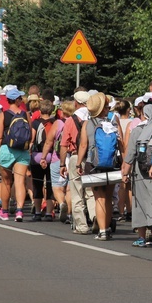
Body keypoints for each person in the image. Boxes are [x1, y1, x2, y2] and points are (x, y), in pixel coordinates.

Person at [78, 92, 122, 240]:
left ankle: (102, 230)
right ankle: (107, 227)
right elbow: (121, 143)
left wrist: (78, 163)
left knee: (99, 198)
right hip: (113, 163)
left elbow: (83, 145)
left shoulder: (87, 124)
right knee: (108, 197)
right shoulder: (114, 120)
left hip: (93, 164)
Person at [123, 102, 152, 246]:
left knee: (140, 202)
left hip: (139, 173)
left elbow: (130, 154)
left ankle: (141, 237)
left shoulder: (137, 131)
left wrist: (125, 173)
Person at [59, 89, 94, 234]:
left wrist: (62, 164)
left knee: (77, 192)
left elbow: (64, 144)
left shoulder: (70, 120)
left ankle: (82, 225)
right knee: (91, 191)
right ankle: (95, 217)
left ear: (76, 103)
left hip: (75, 156)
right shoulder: (93, 118)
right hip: (92, 157)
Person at [0, 87, 31, 221]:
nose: (22, 100)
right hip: (22, 150)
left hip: (6, 149)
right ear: (16, 100)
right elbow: (30, 133)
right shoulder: (25, 114)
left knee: (6, 182)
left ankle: (4, 211)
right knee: (20, 182)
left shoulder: (3, 114)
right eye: (20, 98)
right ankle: (19, 211)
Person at [30, 99, 57, 221]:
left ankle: (37, 212)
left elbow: (32, 139)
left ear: (40, 110)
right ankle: (49, 213)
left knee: (37, 184)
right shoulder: (56, 122)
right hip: (53, 156)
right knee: (50, 184)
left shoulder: (35, 123)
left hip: (37, 156)